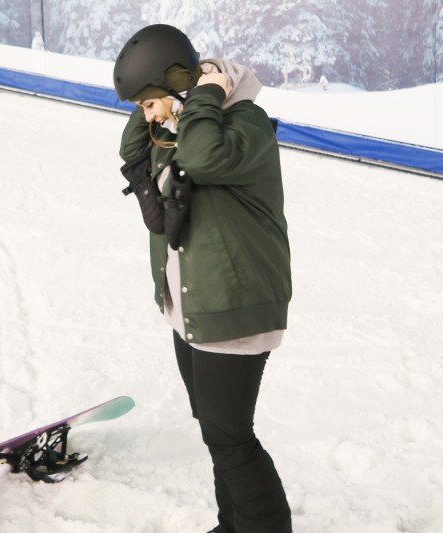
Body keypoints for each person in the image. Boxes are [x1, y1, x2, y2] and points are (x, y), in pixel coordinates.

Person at [113, 24, 293, 533]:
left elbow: (203, 158)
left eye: (151, 103)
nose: (146, 116)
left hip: (232, 305)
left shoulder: (243, 123)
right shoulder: (183, 124)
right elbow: (133, 149)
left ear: (180, 89)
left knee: (232, 437)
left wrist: (207, 88)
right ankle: (231, 526)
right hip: (192, 305)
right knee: (216, 432)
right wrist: (162, 95)